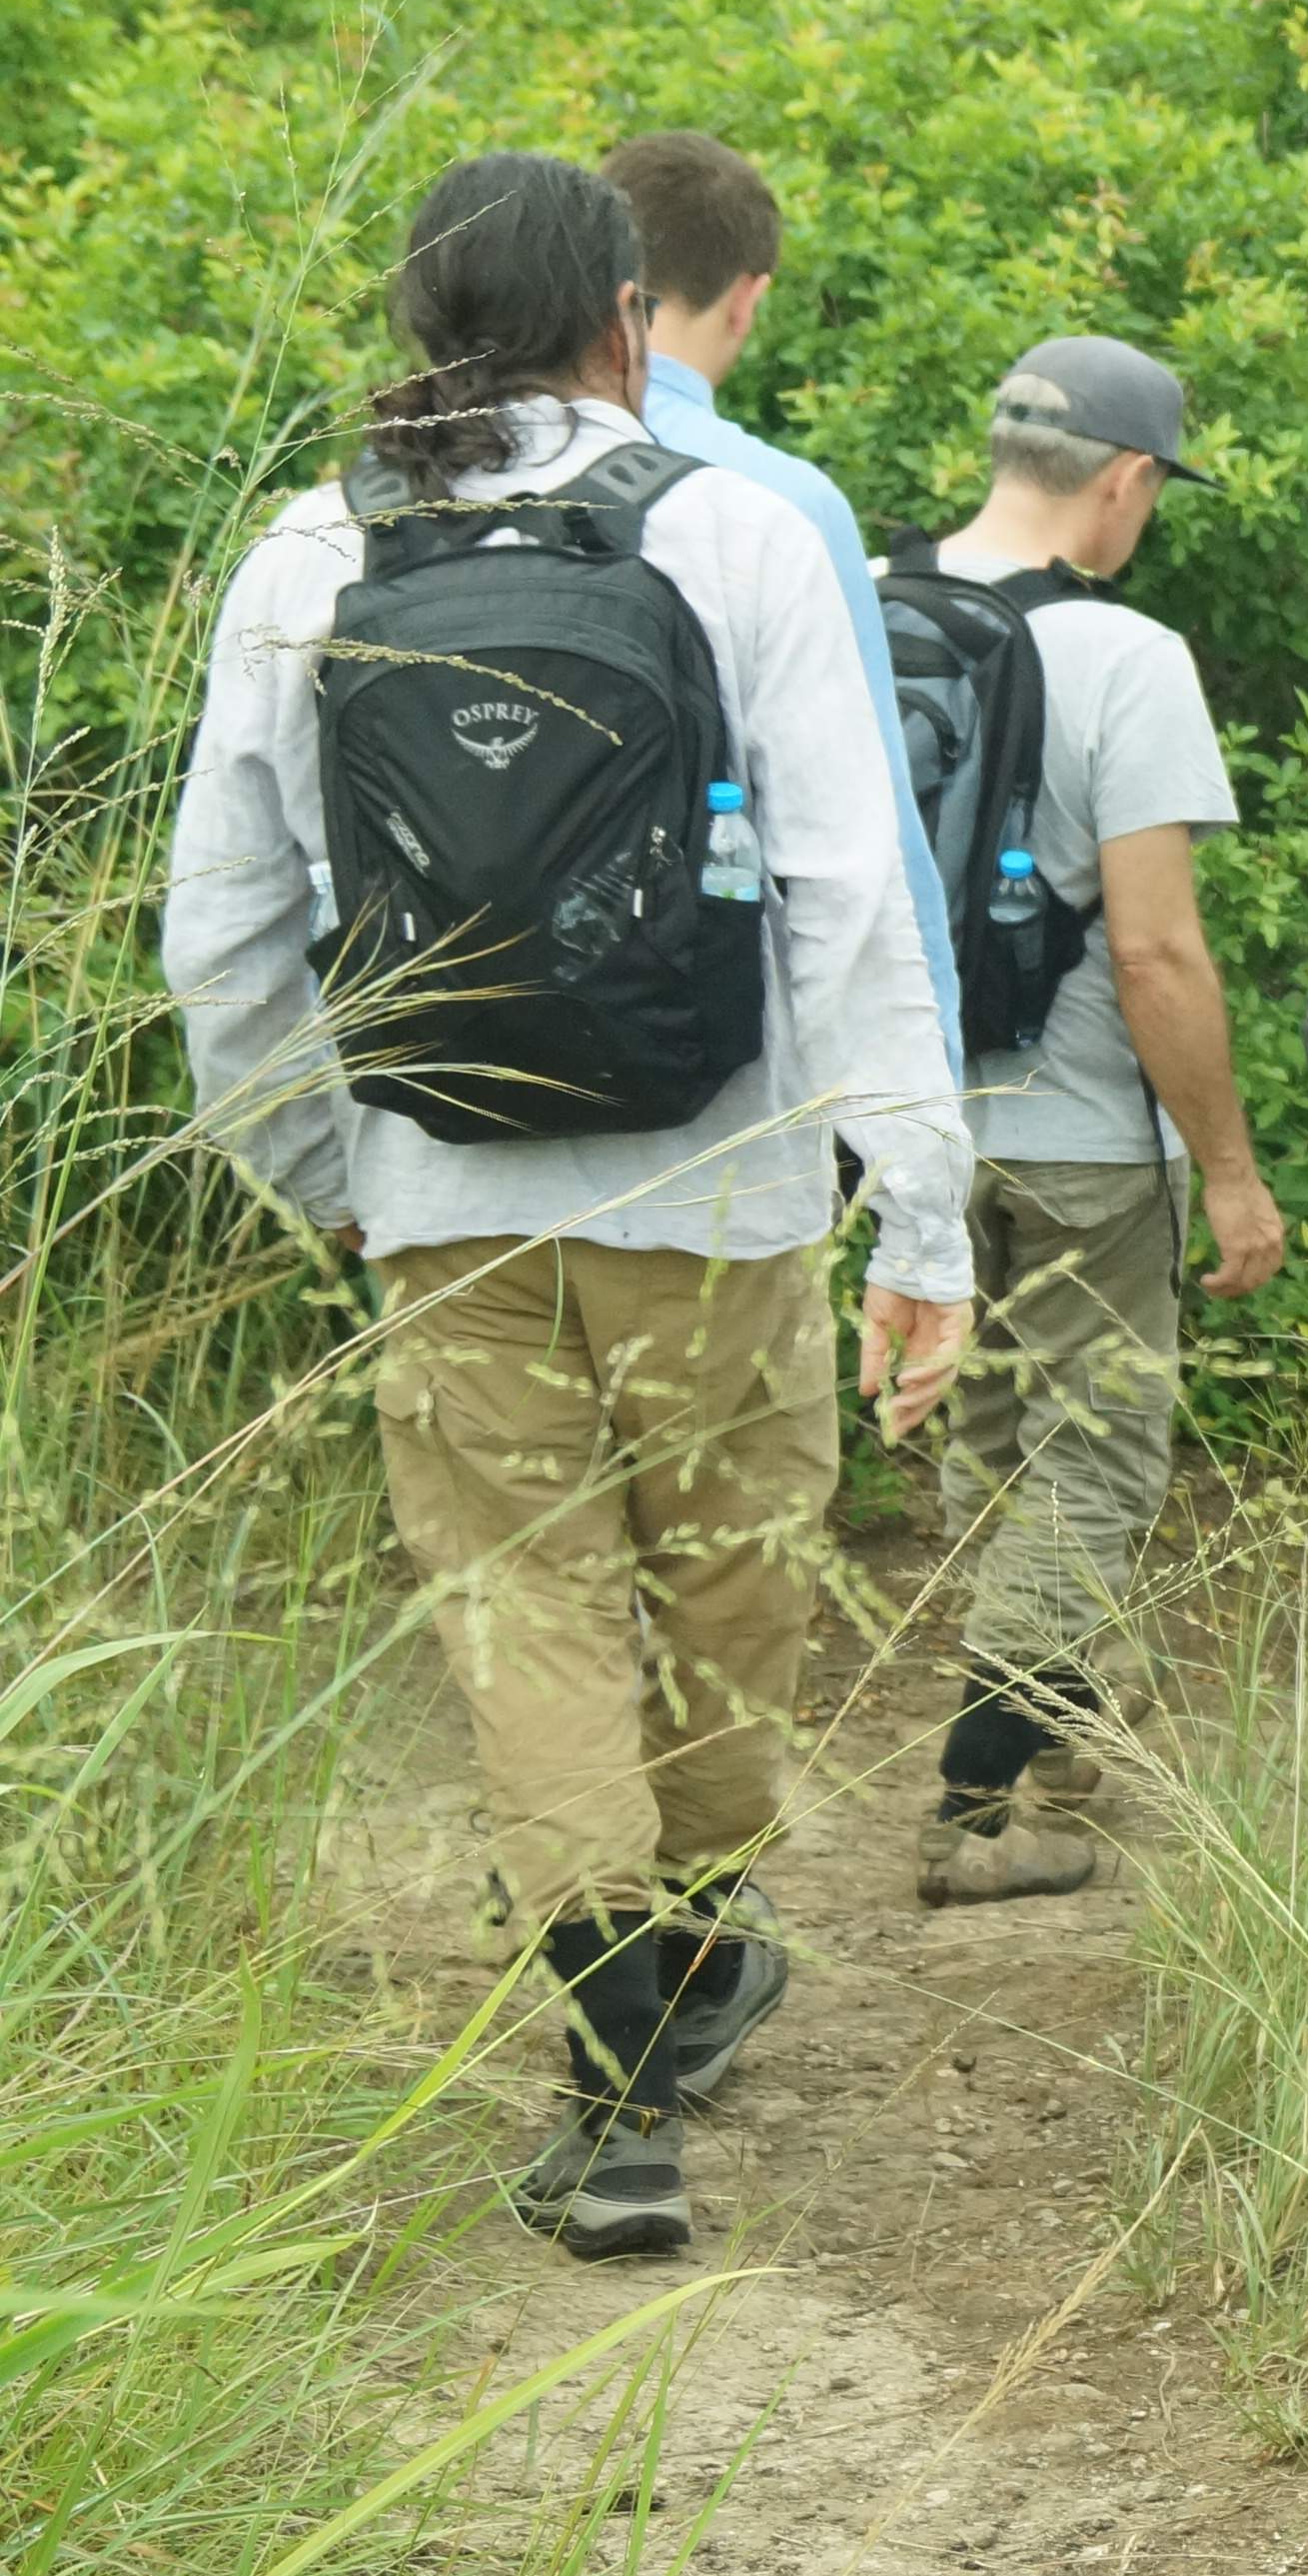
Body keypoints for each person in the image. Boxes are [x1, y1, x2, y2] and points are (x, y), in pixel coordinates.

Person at [162, 150, 972, 2261]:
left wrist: (333, 1175)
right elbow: (845, 889)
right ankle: (681, 1973)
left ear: (423, 315)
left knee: (527, 1617)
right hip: (718, 1176)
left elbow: (223, 931)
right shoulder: (732, 527)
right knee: (726, 1596)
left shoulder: (305, 553)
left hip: (441, 1185)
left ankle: (619, 2095)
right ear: (629, 311)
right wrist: (922, 1212)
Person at [898, 339, 1290, 1903]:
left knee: (992, 1434)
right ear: (1123, 482)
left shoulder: (873, 602)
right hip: (1074, 1133)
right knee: (1099, 1455)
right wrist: (1233, 1174)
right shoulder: (1128, 659)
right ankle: (974, 1804)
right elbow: (1154, 948)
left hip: (908, 1119)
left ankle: (1058, 1738)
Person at [602, 130, 965, 1055]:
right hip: (729, 1049)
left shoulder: (450, 474)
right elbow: (870, 822)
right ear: (748, 300)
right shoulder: (786, 501)